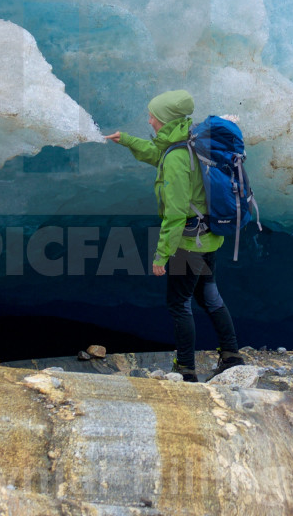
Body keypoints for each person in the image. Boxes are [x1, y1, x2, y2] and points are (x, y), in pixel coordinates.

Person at [104, 90, 244, 382]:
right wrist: (127, 140)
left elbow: (176, 212)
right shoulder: (186, 143)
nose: (150, 120)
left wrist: (161, 255)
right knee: (209, 295)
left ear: (165, 119)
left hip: (187, 244)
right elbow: (157, 154)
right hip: (207, 238)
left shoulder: (178, 157)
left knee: (179, 304)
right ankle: (231, 356)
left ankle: (185, 369)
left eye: (152, 116)